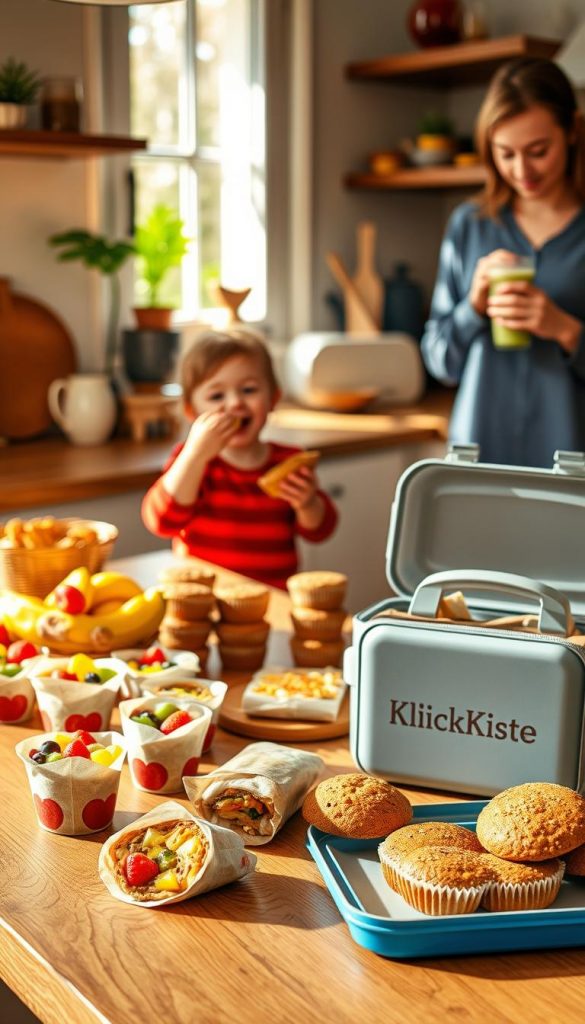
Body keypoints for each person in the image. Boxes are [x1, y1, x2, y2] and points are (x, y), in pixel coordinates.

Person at [421, 58, 585, 467]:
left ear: (573, 131)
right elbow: (440, 362)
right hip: (478, 459)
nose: (521, 171)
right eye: (505, 154)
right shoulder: (470, 225)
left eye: (538, 151)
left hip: (571, 467)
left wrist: (565, 330)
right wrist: (472, 308)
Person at [141, 328, 338, 588]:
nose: (234, 403)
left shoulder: (288, 460)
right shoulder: (192, 463)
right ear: (191, 410)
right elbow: (162, 522)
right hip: (203, 602)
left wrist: (307, 503)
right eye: (216, 396)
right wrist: (194, 455)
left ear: (273, 398)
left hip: (271, 603)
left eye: (248, 389)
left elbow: (320, 529)